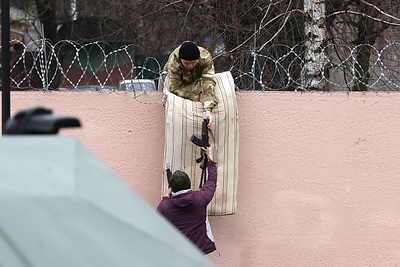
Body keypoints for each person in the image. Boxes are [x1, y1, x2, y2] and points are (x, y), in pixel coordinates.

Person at [157, 146, 217, 254]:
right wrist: (210, 158)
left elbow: (156, 221)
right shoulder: (201, 197)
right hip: (200, 249)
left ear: (171, 188)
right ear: (189, 184)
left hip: (177, 252)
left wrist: (166, 197)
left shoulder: (165, 206)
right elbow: (211, 181)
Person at [163, 41, 216, 128]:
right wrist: (198, 97)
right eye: (186, 63)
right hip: (172, 78)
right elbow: (174, 88)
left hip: (195, 78)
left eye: (194, 62)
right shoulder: (174, 62)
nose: (190, 66)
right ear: (180, 60)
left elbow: (209, 80)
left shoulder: (205, 57)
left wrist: (208, 107)